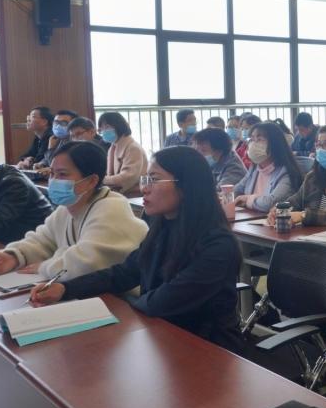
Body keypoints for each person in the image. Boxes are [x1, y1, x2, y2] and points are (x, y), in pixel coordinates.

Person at [29, 146, 247, 355]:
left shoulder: (218, 246)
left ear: (186, 185)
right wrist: (65, 289)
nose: (144, 188)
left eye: (154, 179)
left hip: (208, 349)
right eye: (145, 179)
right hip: (161, 339)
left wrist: (115, 311)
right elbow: (124, 272)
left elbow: (163, 302)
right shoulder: (162, 228)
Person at [0, 142, 148, 281]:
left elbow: (86, 264)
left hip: (124, 300)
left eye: (62, 174)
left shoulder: (111, 208)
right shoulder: (66, 209)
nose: (53, 180)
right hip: (89, 294)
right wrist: (13, 256)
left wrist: (44, 267)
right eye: (52, 173)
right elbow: (43, 240)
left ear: (91, 181)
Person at [233, 122, 303, 212]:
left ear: (274, 144)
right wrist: (225, 195)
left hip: (272, 219)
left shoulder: (286, 172)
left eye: (260, 139)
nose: (253, 144)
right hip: (250, 218)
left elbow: (271, 203)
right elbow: (237, 189)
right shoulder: (255, 168)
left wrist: (247, 199)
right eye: (252, 139)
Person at [98, 112, 148, 197]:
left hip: (135, 195)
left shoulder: (133, 148)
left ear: (119, 126)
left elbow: (127, 177)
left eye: (107, 127)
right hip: (121, 194)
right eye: (102, 129)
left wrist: (102, 180)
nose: (104, 131)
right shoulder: (113, 147)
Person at [33, 109, 79, 175]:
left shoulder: (76, 142)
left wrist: (51, 149)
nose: (58, 126)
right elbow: (47, 160)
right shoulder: (57, 139)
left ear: (74, 125)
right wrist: (41, 164)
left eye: (63, 123)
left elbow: (55, 164)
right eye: (56, 122)